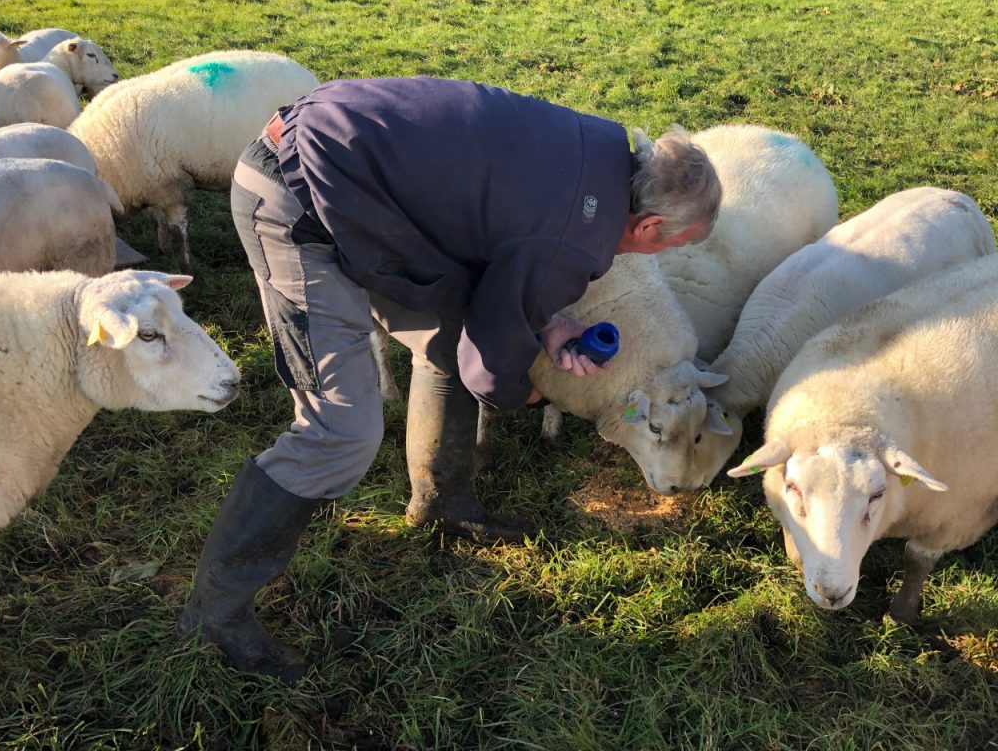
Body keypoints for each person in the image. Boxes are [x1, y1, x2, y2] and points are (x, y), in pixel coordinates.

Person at [179, 77, 722, 681]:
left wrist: (538, 324)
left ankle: (441, 498)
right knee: (340, 428)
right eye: (673, 247)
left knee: (444, 339)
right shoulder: (575, 235)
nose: (660, 258)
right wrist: (527, 389)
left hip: (363, 185)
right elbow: (490, 366)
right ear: (648, 228)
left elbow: (497, 254)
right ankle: (213, 614)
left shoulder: (599, 151)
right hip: (299, 199)